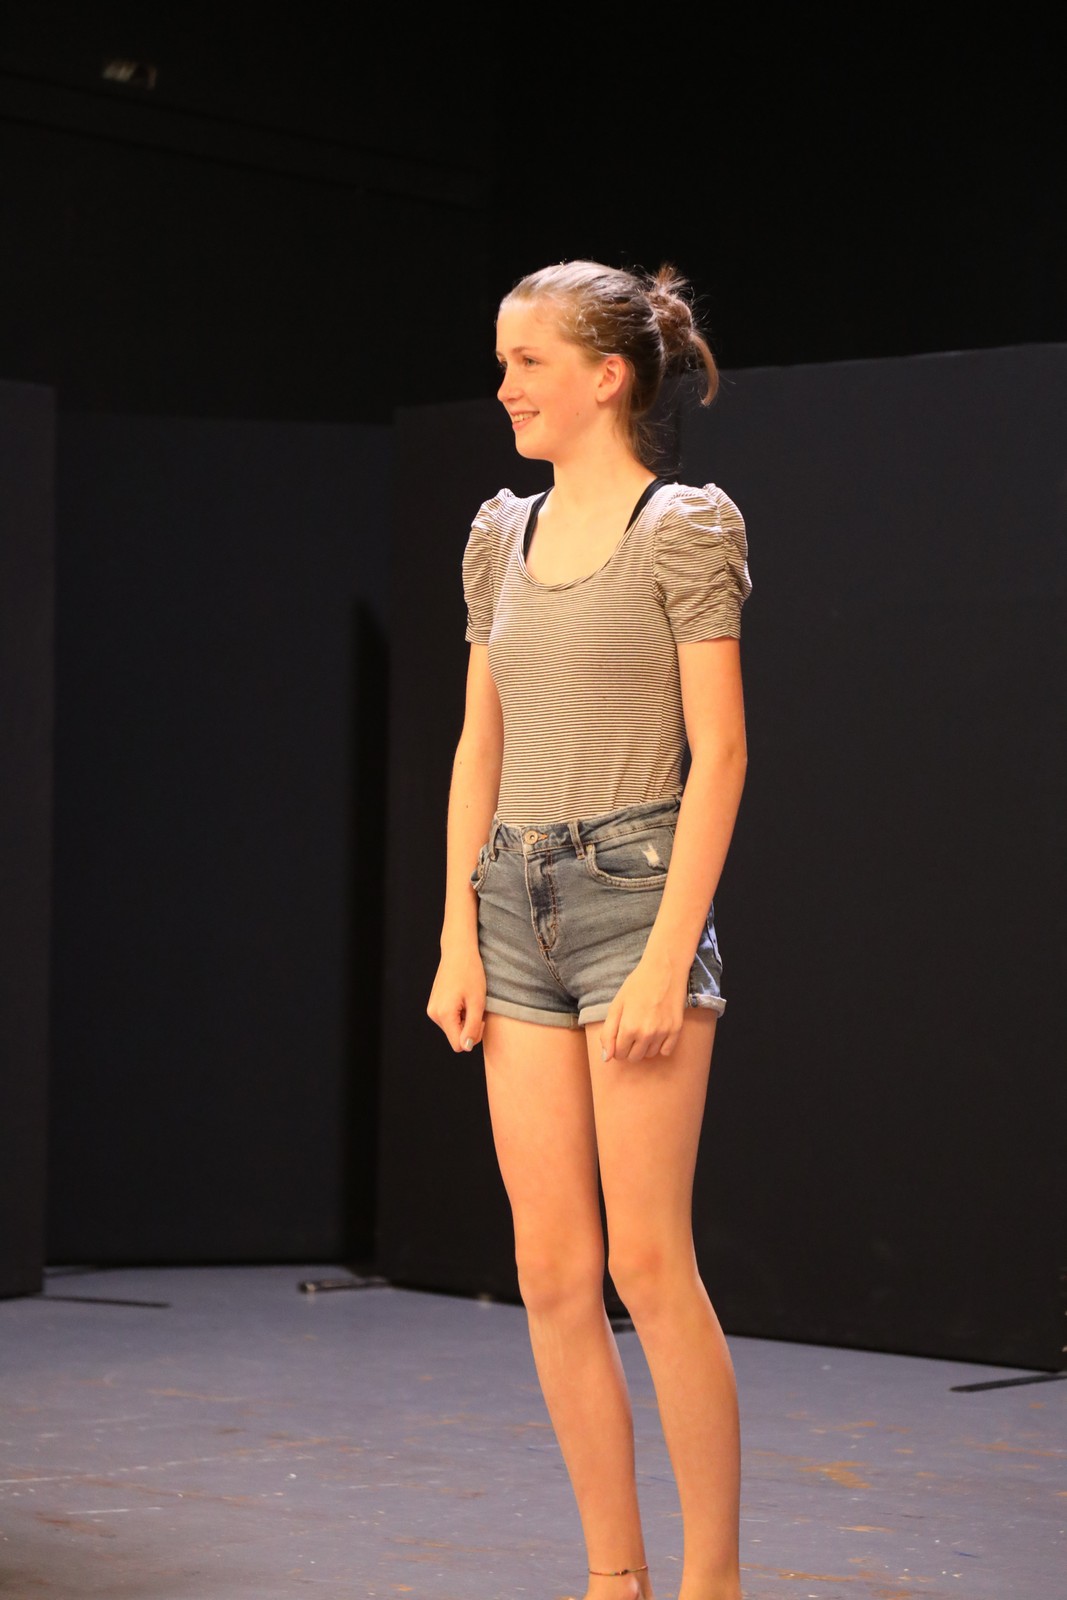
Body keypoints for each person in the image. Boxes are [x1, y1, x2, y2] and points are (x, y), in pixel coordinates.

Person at [427, 259, 752, 1600]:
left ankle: (711, 1582)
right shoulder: (498, 534)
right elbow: (478, 747)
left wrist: (671, 954)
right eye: (504, 363)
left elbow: (722, 753)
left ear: (607, 377)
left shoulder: (682, 526)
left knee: (647, 1262)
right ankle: (613, 1579)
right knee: (553, 1270)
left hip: (635, 902)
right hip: (513, 909)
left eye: (530, 363)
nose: (505, 386)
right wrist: (456, 934)